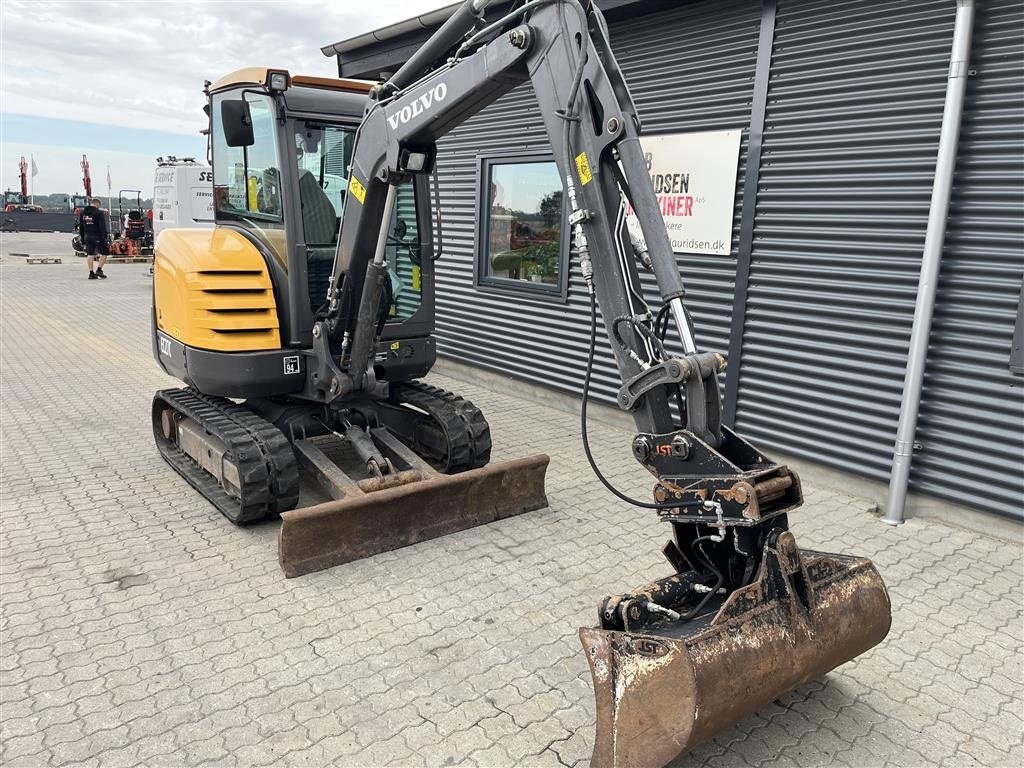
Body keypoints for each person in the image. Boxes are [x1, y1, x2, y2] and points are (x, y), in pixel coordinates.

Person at [79, 197, 109, 280]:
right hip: (97, 236)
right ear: (97, 204)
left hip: (87, 236)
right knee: (105, 253)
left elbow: (81, 227)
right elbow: (102, 227)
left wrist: (82, 239)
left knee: (90, 254)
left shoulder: (83, 213)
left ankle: (91, 273)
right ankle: (99, 270)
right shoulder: (99, 213)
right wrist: (105, 237)